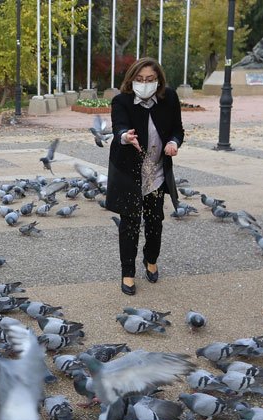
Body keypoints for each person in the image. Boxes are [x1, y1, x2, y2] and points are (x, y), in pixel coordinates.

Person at [106, 58, 184, 295]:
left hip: (156, 171)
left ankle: (151, 260)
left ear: (158, 79)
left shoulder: (169, 98)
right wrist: (125, 136)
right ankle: (127, 272)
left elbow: (177, 129)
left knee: (154, 220)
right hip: (129, 171)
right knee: (129, 223)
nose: (145, 84)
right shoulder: (121, 101)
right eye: (140, 80)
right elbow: (118, 126)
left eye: (150, 79)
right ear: (132, 80)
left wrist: (173, 142)